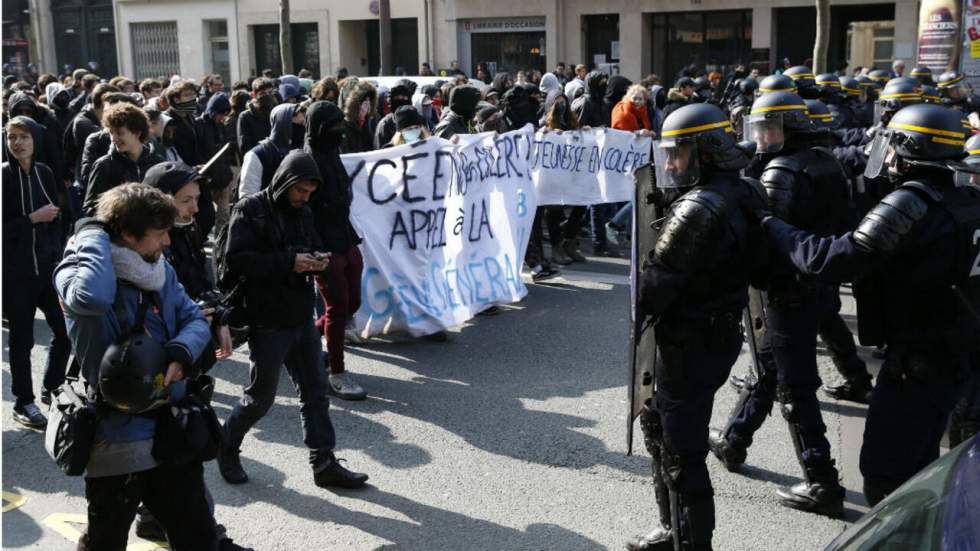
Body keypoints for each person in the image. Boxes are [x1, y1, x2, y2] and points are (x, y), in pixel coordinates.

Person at [749, 103, 980, 506]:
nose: (887, 154)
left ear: (912, 149)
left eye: (893, 145)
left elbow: (832, 259)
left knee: (885, 474)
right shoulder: (967, 197)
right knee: (923, 466)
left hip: (918, 360)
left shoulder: (911, 201)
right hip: (958, 353)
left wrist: (772, 226)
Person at [626, 103, 762, 551]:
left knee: (682, 455)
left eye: (678, 154)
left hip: (689, 342)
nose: (669, 164)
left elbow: (652, 289)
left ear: (705, 152)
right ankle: (671, 529)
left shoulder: (698, 208)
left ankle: (690, 542)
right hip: (716, 334)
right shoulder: (741, 191)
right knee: (659, 428)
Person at [709, 91, 848, 517]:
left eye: (770, 128)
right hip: (820, 282)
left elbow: (766, 234)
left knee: (795, 387)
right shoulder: (826, 160)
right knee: (769, 365)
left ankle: (821, 478)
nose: (762, 137)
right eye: (760, 128)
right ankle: (735, 440)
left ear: (791, 127)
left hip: (789, 288)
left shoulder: (782, 171)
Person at [54, 183, 216, 550]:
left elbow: (193, 318)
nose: (167, 243)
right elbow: (92, 297)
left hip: (171, 426)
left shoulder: (158, 268)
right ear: (127, 233)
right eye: (159, 234)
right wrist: (92, 232)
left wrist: (180, 352)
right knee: (106, 541)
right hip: (118, 437)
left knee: (199, 534)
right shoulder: (76, 274)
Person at [219, 149, 370, 489]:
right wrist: (290, 261)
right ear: (285, 181)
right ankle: (227, 447)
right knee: (260, 398)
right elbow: (238, 261)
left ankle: (324, 462)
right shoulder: (251, 209)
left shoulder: (303, 212)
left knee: (316, 392)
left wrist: (320, 259)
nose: (304, 197)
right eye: (300, 190)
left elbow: (315, 246)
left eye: (310, 193)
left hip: (301, 314)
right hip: (268, 319)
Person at [2, 116, 69, 428]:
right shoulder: (3, 177)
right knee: (22, 341)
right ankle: (23, 401)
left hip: (46, 271)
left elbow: (57, 221)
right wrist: (32, 218)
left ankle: (51, 387)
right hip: (16, 276)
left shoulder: (44, 172)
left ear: (34, 141)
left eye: (23, 137)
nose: (17, 143)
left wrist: (57, 257)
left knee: (66, 333)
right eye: (11, 137)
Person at [303, 100, 370, 399]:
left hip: (345, 238)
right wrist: (315, 249)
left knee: (351, 303)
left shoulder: (333, 155)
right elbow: (304, 211)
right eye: (332, 127)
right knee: (337, 307)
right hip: (325, 247)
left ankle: (304, 338)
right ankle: (337, 372)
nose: (338, 132)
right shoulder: (306, 162)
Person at [83, 103, 163, 215]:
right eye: (111, 133)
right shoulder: (104, 165)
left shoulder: (159, 163)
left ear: (137, 133)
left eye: (120, 133)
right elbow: (90, 209)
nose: (114, 139)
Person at [238, 103, 302, 197]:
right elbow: (247, 196)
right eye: (299, 125)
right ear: (284, 125)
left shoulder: (300, 152)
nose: (302, 129)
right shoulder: (257, 155)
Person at [196, 92, 235, 234]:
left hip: (222, 177)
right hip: (207, 179)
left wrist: (228, 173)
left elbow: (224, 152)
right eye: (221, 114)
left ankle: (221, 244)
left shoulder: (221, 127)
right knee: (207, 216)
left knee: (224, 214)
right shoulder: (199, 125)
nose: (223, 118)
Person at [236, 77, 277, 157]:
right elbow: (244, 146)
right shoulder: (245, 116)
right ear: (254, 94)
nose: (267, 96)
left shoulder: (276, 112)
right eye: (262, 93)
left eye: (270, 92)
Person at [340, 79, 378, 153]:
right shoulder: (343, 127)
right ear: (354, 105)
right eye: (364, 102)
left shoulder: (368, 124)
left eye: (369, 102)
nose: (367, 107)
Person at [373, 82, 412, 149]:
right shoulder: (385, 124)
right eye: (397, 98)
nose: (401, 100)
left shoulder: (416, 120)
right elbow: (380, 151)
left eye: (404, 97)